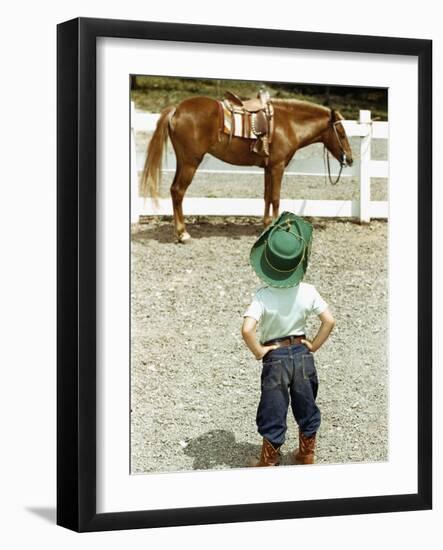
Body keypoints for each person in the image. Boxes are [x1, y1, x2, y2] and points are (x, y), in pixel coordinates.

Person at [241, 211, 335, 467]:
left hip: (276, 358)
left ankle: (269, 460)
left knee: (273, 406)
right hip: (303, 355)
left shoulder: (263, 296)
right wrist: (313, 345)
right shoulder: (309, 291)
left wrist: (259, 351)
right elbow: (329, 321)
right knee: (306, 403)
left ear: (268, 262)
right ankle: (306, 453)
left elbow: (247, 329)